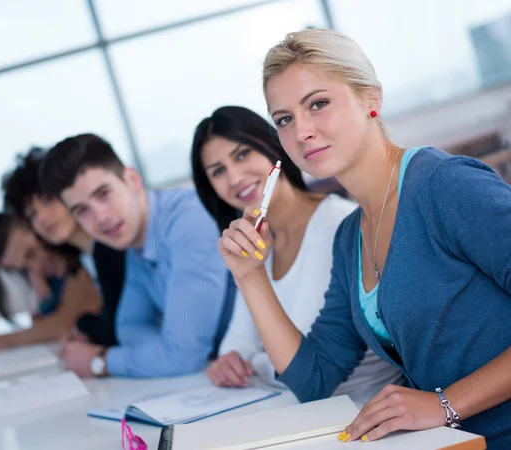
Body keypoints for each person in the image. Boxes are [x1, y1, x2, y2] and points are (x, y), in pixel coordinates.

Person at [217, 28, 511, 448]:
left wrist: (444, 404)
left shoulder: (443, 186)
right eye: (284, 119)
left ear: (371, 98)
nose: (301, 132)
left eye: (318, 104)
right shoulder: (348, 238)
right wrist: (250, 275)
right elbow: (314, 379)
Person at [191, 105, 404, 404]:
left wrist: (251, 364)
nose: (235, 177)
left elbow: (298, 365)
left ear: (271, 147)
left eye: (242, 155)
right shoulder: (259, 239)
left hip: (361, 412)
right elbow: (237, 340)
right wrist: (234, 358)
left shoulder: (335, 225)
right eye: (218, 171)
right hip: (299, 410)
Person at [40, 133, 235, 378]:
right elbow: (129, 329)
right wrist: (167, 350)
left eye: (103, 194)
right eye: (82, 211)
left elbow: (183, 356)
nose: (100, 217)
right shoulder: (134, 241)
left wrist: (100, 361)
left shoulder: (186, 221)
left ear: (132, 180)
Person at [1, 147, 126, 346]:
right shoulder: (85, 257)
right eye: (32, 214)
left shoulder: (114, 243)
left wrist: (86, 328)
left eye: (48, 201)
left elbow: (124, 328)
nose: (41, 218)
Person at [0, 213, 101, 353]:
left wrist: (2, 340)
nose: (5, 263)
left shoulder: (78, 261)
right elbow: (48, 318)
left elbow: (65, 322)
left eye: (30, 254)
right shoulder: (39, 274)